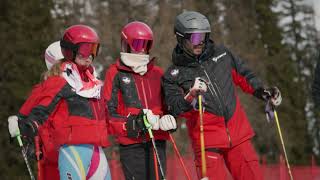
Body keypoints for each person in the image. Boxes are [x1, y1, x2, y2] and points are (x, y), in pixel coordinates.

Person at [162, 11, 282, 180]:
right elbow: (174, 107)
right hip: (207, 143)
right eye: (196, 38)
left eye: (204, 36)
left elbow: (245, 76)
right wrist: (190, 96)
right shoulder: (174, 75)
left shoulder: (222, 54)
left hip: (238, 135)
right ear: (182, 39)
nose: (201, 42)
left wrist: (263, 92)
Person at [8, 25, 111, 180]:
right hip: (73, 151)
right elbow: (42, 110)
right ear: (70, 50)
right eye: (84, 49)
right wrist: (27, 126)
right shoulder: (60, 81)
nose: (89, 55)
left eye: (94, 49)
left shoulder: (95, 85)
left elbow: (110, 114)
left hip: (97, 152)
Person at [103, 21, 177, 180]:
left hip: (157, 140)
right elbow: (109, 113)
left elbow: (169, 106)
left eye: (146, 44)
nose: (142, 48)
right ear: (126, 44)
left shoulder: (157, 73)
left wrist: (169, 119)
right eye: (137, 43)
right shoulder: (115, 73)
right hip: (131, 144)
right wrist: (135, 123)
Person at [8, 41, 63, 180]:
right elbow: (24, 116)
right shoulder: (46, 87)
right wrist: (22, 126)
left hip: (60, 150)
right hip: (52, 151)